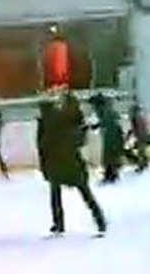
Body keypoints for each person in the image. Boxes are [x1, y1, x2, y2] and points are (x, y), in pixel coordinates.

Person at [37, 98, 107, 236]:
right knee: (85, 193)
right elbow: (79, 140)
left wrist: (44, 167)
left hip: (56, 164)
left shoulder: (47, 126)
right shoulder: (65, 122)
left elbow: (42, 148)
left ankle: (59, 225)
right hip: (71, 163)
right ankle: (100, 221)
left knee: (56, 195)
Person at [126, 101, 150, 172]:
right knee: (142, 151)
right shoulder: (139, 117)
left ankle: (142, 165)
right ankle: (144, 164)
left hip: (141, 136)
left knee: (141, 152)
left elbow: (139, 128)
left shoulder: (137, 117)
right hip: (142, 136)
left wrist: (138, 137)